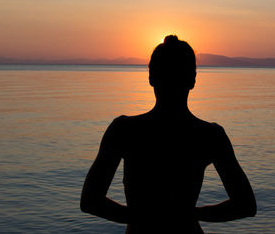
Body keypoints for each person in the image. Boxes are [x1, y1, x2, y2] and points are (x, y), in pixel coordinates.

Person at [80, 35, 256, 233]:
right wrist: (191, 215)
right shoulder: (209, 136)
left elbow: (90, 201)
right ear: (192, 80)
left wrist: (143, 219)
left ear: (151, 78)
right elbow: (245, 205)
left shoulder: (124, 130)